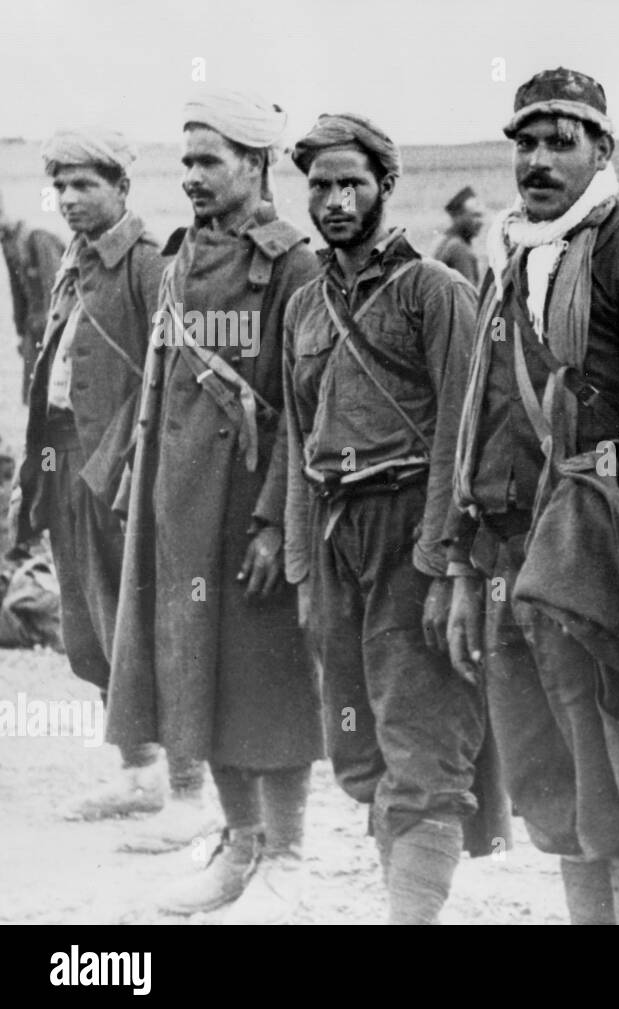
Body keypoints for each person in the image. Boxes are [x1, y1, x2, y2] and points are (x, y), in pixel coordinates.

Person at [437, 67, 619, 924]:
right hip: (511, 559)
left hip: (594, 566)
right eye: (526, 143)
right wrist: (464, 566)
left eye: (561, 141)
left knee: (616, 789)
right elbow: (476, 422)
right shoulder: (510, 260)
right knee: (549, 782)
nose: (539, 160)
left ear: (603, 149)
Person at [107, 88, 323, 923]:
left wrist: (276, 518)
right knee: (196, 675)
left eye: (210, 161)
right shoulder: (177, 257)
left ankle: (290, 854)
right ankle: (237, 846)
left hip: (248, 506)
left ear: (256, 165)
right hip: (178, 504)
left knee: (266, 679)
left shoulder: (292, 265)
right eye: (186, 159)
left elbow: (301, 405)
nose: (191, 176)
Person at [283, 113, 505, 923]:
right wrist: (305, 566)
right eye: (321, 186)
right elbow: (295, 438)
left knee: (423, 743)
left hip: (413, 520)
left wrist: (448, 561)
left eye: (353, 183)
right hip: (339, 535)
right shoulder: (305, 307)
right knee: (359, 747)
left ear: (385, 187)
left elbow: (463, 430)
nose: (336, 200)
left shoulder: (433, 290)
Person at [11, 129, 212, 829]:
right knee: (91, 627)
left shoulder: (150, 264)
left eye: (85, 185)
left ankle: (187, 791)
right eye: (60, 186)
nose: (68, 199)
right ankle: (138, 774)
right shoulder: (74, 262)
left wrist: (134, 465)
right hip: (63, 462)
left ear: (121, 188)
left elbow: (181, 375)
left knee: (148, 626)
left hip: (123, 470)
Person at [0, 189, 64, 405]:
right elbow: (17, 291)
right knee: (34, 401)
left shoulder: (37, 238)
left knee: (55, 400)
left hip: (54, 330)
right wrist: (21, 332)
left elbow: (56, 288)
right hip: (34, 330)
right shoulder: (8, 243)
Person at [432, 186, 484, 286]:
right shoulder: (459, 249)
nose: (480, 222)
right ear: (459, 216)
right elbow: (468, 295)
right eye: (474, 216)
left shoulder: (444, 241)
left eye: (481, 216)